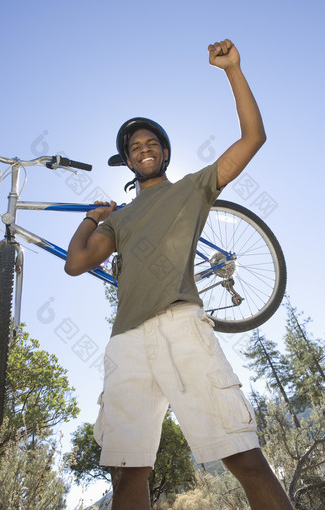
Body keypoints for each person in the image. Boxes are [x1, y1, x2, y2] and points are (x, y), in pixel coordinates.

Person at [65, 40, 293, 510]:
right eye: (135, 148)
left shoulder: (192, 187)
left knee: (243, 456)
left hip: (180, 326)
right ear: (128, 161)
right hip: (125, 341)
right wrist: (92, 217)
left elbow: (253, 138)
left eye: (151, 144)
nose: (143, 150)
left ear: (164, 152)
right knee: (128, 475)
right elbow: (76, 263)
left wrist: (233, 69)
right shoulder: (120, 219)